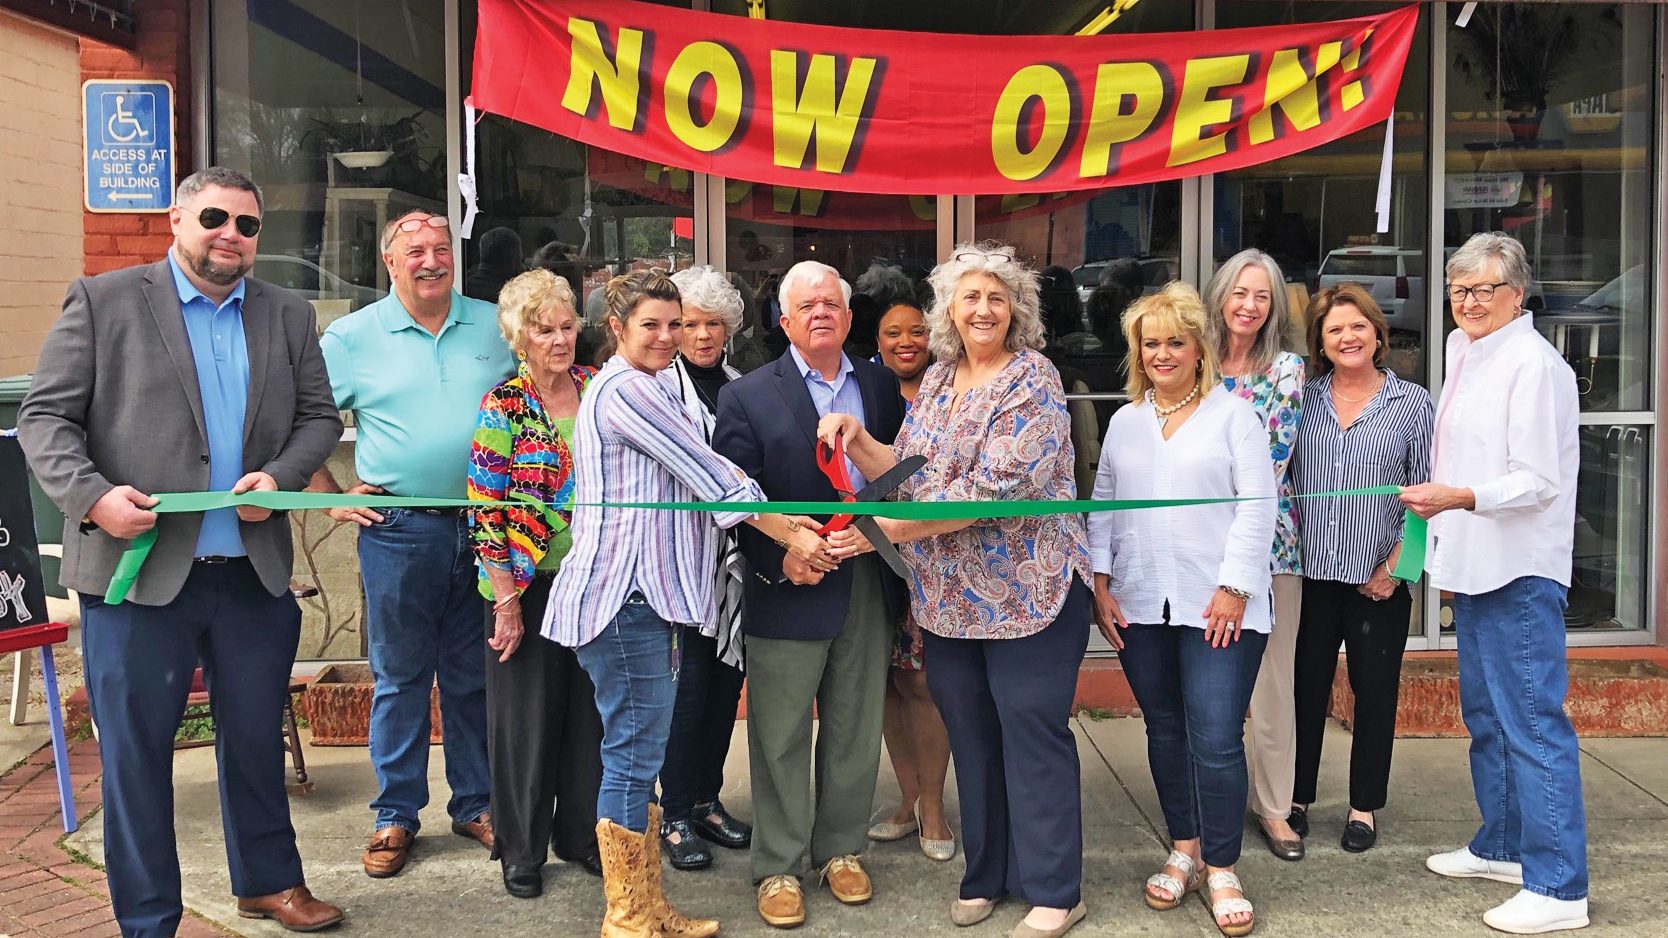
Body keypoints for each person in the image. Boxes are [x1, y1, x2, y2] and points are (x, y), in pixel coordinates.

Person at [18, 167, 345, 936]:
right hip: (137, 581)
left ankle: (269, 882)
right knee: (136, 759)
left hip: (252, 576)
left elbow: (319, 418)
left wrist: (283, 477)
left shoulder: (287, 314)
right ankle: (148, 919)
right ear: (176, 220)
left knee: (256, 741)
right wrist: (94, 498)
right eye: (215, 218)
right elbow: (44, 420)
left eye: (247, 225)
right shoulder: (103, 301)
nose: (231, 235)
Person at [542, 269, 831, 938]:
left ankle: (645, 905)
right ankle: (628, 917)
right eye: (652, 325)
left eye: (675, 323)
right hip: (625, 599)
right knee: (633, 760)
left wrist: (784, 524)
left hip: (648, 599)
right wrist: (790, 531)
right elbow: (712, 477)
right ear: (616, 328)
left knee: (637, 757)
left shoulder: (646, 385)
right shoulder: (626, 391)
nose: (669, 336)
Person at [818, 242, 1093, 938]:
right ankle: (988, 876)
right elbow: (912, 471)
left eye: (997, 297)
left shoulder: (1032, 377)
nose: (983, 309)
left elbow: (990, 491)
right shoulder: (939, 379)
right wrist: (857, 440)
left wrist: (884, 531)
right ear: (949, 310)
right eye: (970, 296)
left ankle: (1055, 889)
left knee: (1031, 736)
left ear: (1017, 310)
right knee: (971, 738)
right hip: (948, 600)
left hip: (1029, 596)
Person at [310, 209, 512, 877]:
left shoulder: (495, 324)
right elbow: (299, 420)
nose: (431, 260)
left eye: (441, 248)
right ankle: (395, 813)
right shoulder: (352, 337)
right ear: (390, 263)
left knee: (472, 677)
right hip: (399, 529)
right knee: (399, 679)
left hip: (485, 527)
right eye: (415, 251)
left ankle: (476, 803)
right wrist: (328, 495)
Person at [712, 260, 909, 929]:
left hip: (867, 580)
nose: (821, 312)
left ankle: (841, 851)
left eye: (832, 303)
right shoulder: (746, 396)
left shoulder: (880, 386)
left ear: (849, 319)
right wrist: (783, 556)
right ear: (785, 321)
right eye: (807, 305)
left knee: (855, 726)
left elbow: (901, 480)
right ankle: (778, 865)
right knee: (781, 733)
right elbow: (733, 499)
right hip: (789, 583)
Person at [1401, 232, 1588, 935]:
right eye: (1459, 290)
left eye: (1484, 289)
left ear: (1517, 293)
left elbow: (1538, 481)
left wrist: (1458, 498)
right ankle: (1504, 846)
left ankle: (1560, 887)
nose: (1470, 302)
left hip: (1520, 569)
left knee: (1533, 724)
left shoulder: (1534, 366)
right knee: (1488, 718)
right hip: (1476, 566)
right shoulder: (1467, 350)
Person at [1091, 281, 1276, 938]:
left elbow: (1258, 507)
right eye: (1151, 344)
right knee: (1165, 731)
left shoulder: (1234, 418)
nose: (1163, 354)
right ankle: (1185, 850)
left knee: (1217, 738)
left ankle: (1222, 867)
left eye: (1176, 341)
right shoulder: (1125, 422)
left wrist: (1235, 586)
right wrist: (1100, 580)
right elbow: (1103, 502)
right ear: (1137, 352)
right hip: (1140, 603)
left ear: (1200, 349)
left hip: (1218, 607)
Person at [466, 269, 603, 898]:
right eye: (544, 330)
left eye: (567, 327)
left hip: (595, 580)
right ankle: (521, 850)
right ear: (520, 339)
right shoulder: (505, 404)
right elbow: (484, 509)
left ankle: (580, 835)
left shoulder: (598, 389)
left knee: (588, 716)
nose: (559, 340)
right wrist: (506, 601)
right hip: (525, 585)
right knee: (524, 724)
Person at [1290, 284, 1432, 854]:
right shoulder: (1302, 401)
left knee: (1375, 693)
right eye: (1334, 330)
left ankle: (1363, 806)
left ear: (1377, 334)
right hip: (1308, 579)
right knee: (1303, 691)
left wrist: (1396, 568)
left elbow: (1426, 496)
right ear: (1320, 342)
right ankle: (1295, 798)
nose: (1347, 337)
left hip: (1379, 581)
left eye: (1357, 327)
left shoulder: (1412, 404)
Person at [1203, 248, 1307, 861]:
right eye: (1240, 293)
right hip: (1194, 542)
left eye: (1262, 296)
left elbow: (1270, 460)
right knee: (1202, 684)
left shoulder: (1286, 370)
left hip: (1270, 546)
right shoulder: (1193, 359)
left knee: (1272, 682)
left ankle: (1274, 807)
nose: (1249, 305)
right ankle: (1202, 804)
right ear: (1220, 296)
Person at [657, 265, 753, 872]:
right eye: (689, 324)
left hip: (735, 558)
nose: (701, 335)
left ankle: (706, 800)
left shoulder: (742, 385)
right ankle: (673, 813)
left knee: (724, 682)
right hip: (682, 556)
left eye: (713, 323)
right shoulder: (658, 389)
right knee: (688, 686)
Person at [863, 299, 954, 860]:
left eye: (917, 331)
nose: (906, 342)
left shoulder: (950, 391)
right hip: (873, 558)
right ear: (876, 341)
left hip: (930, 555)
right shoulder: (869, 392)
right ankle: (908, 799)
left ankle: (935, 808)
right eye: (892, 333)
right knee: (886, 684)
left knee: (921, 684)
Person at [463, 226, 524, 302]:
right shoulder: (513, 296)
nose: (521, 260)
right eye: (520, 255)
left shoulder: (463, 288)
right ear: (513, 258)